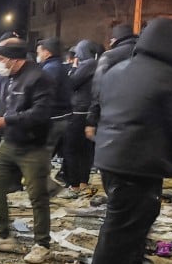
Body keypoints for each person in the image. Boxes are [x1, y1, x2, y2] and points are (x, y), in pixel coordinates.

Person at [78, 18, 172, 264]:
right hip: (141, 164)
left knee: (125, 224)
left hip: (110, 158)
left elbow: (99, 105)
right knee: (121, 229)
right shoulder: (170, 77)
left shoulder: (117, 70)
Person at [0, 39, 54, 264]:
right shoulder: (3, 76)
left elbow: (40, 113)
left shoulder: (40, 78)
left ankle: (42, 244)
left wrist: (6, 120)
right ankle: (2, 234)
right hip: (8, 143)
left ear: (16, 59)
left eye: (0, 59)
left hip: (33, 146)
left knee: (37, 195)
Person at [85, 23, 138, 140]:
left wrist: (92, 120)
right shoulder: (144, 54)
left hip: (112, 116)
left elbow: (98, 89)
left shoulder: (109, 56)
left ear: (114, 40)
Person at [62, 40, 97, 196]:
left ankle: (75, 183)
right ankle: (83, 181)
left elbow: (71, 84)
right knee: (86, 150)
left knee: (72, 149)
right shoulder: (97, 64)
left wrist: (73, 67)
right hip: (90, 112)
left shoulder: (88, 65)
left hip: (78, 113)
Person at [36, 37, 71, 169]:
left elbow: (45, 95)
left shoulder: (50, 69)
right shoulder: (59, 66)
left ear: (47, 52)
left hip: (53, 117)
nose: (38, 55)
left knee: (42, 155)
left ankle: (44, 186)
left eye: (39, 52)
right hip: (61, 116)